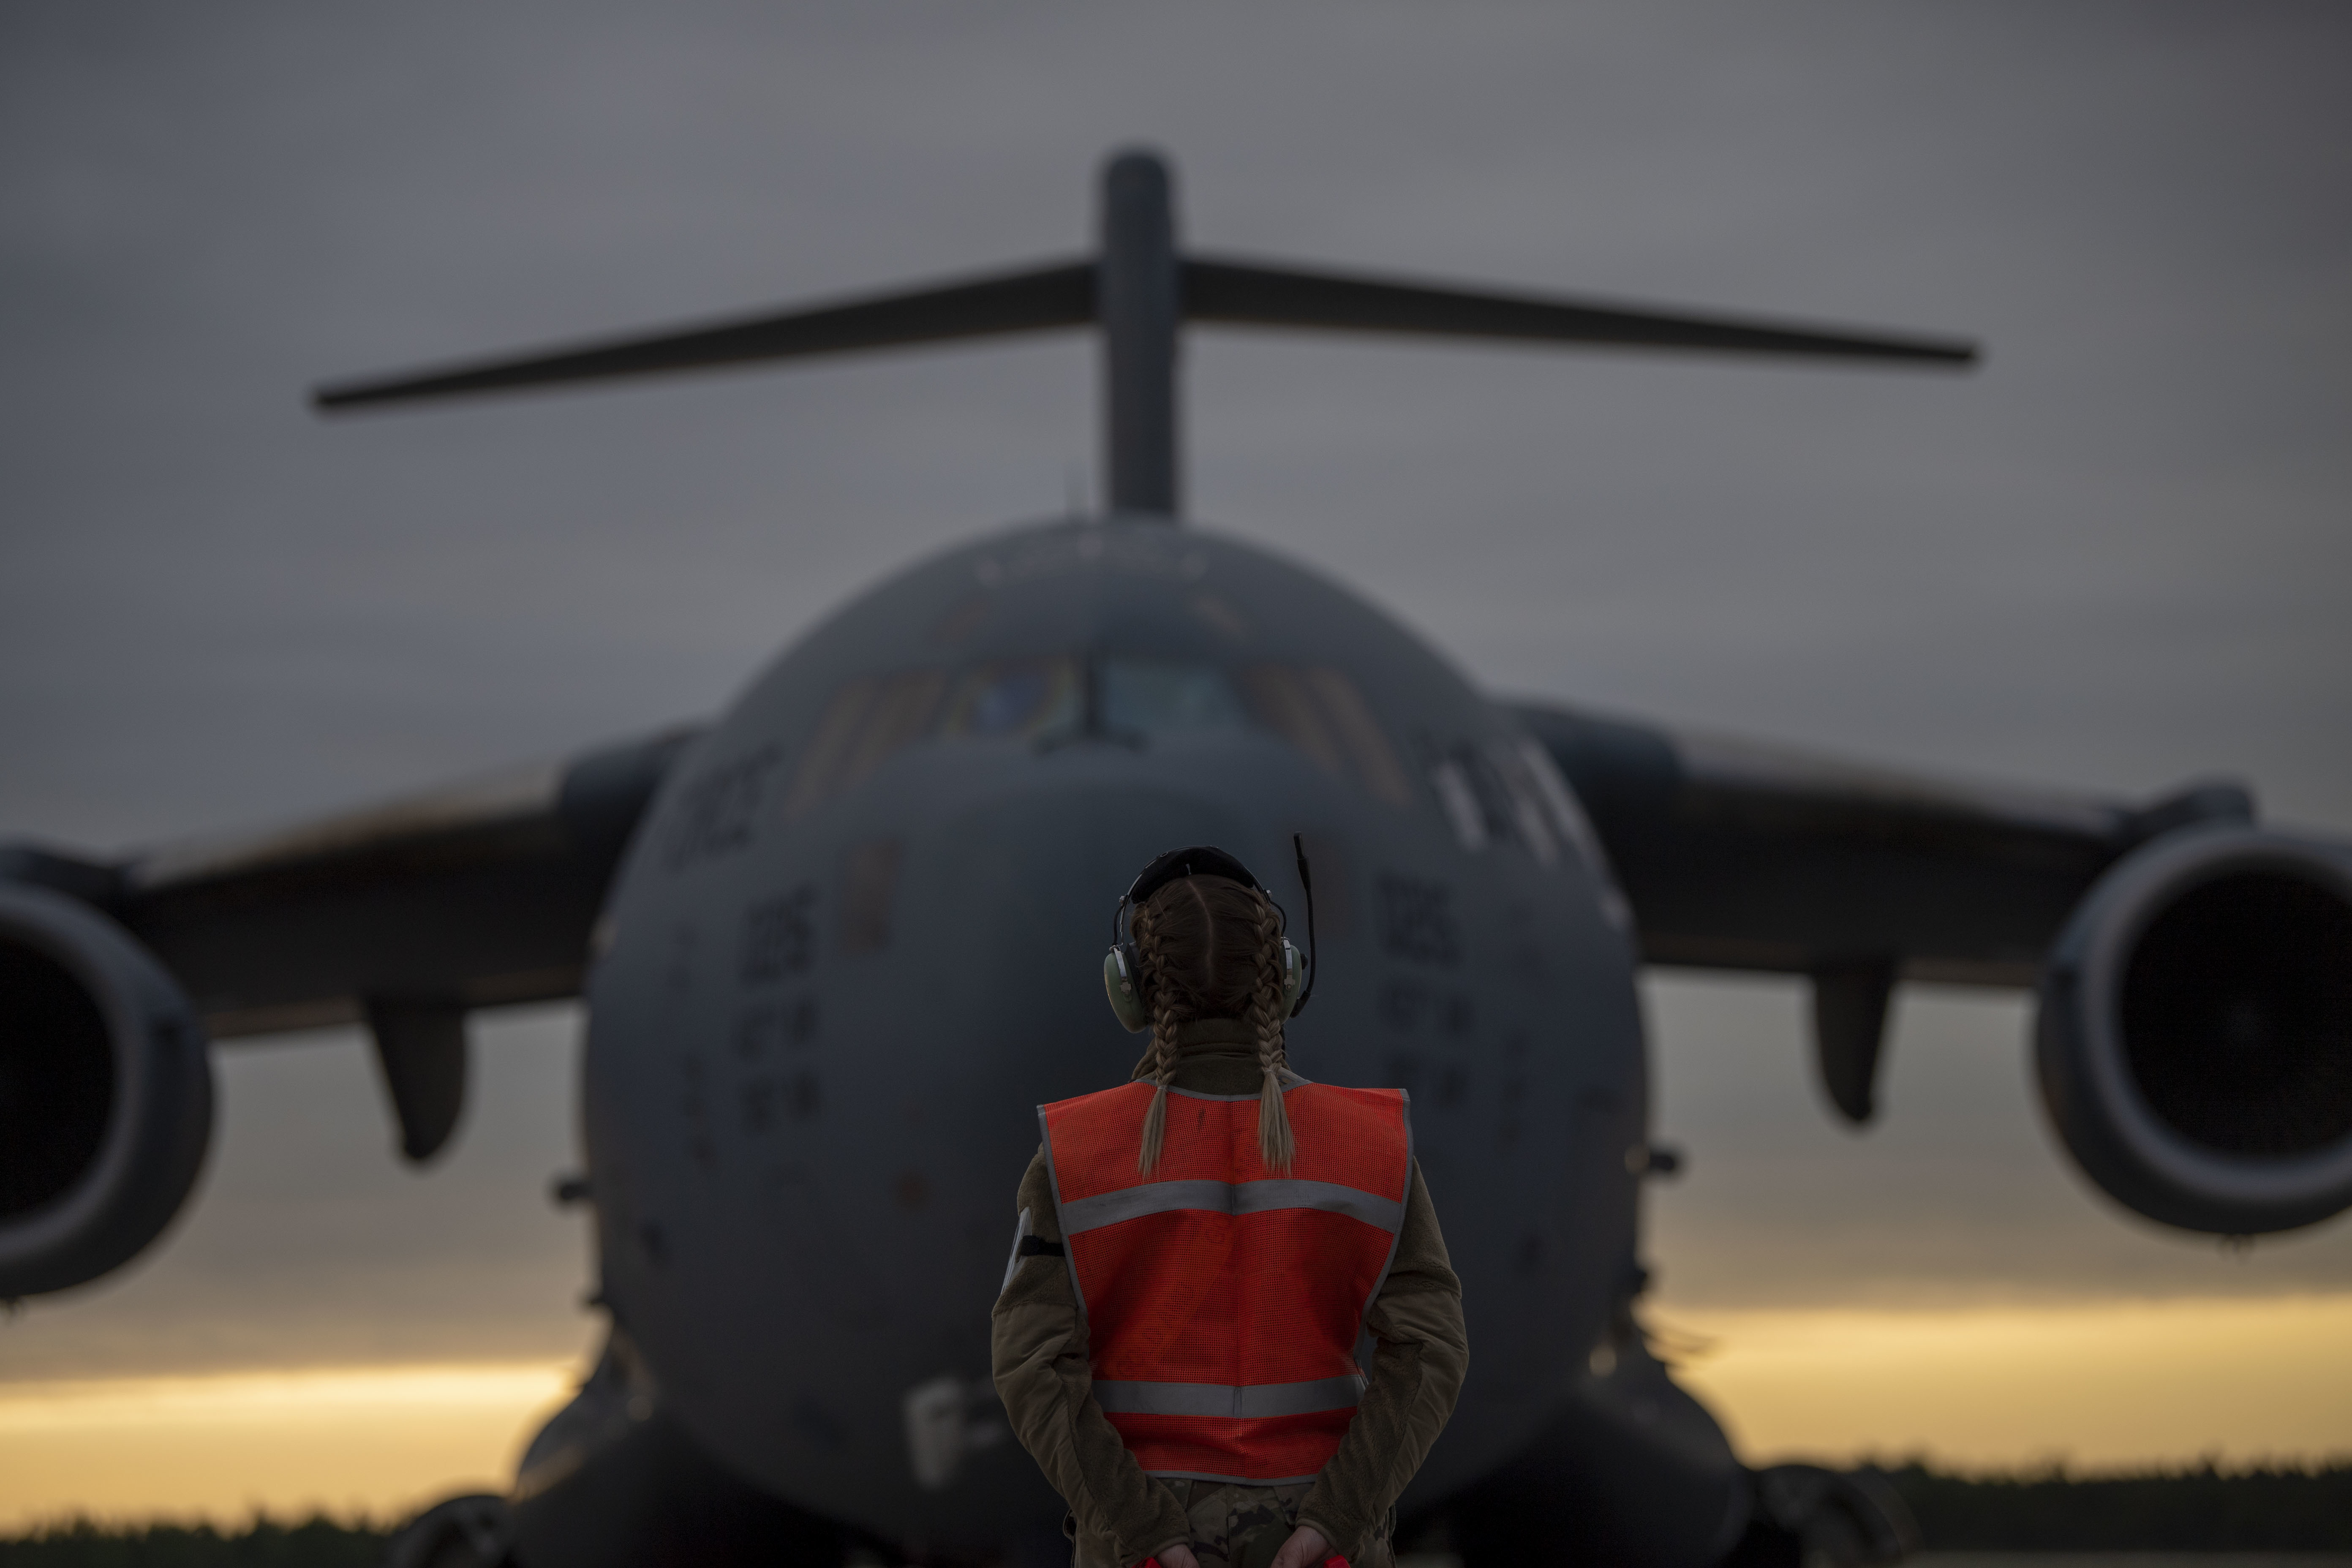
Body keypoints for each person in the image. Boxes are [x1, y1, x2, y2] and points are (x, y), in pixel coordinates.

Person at [993, 846, 1467, 1568]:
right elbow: (1431, 1350)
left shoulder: (1075, 1153)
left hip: (1148, 1546)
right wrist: (1337, 1519)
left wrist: (1143, 1533)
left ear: (1132, 990)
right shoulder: (1370, 1144)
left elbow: (1030, 1366)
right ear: (1283, 979)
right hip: (1317, 1543)